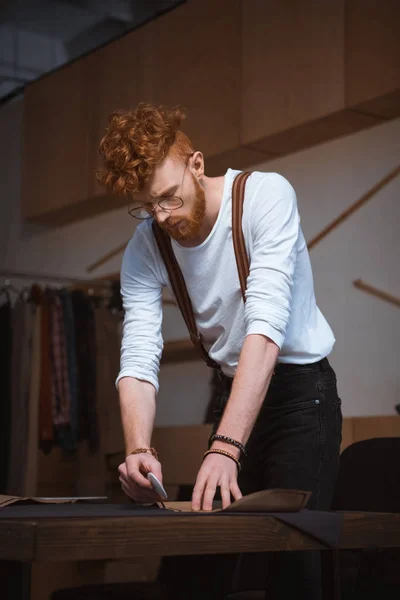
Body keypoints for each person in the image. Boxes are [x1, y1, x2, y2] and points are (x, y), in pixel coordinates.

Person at [97, 103, 343, 599]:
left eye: (168, 198)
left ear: (196, 164)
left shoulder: (264, 196)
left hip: (300, 396)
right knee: (215, 561)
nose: (162, 217)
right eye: (148, 207)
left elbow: (265, 327)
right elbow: (139, 359)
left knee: (293, 569)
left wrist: (226, 447)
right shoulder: (146, 247)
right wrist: (138, 449)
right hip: (233, 390)